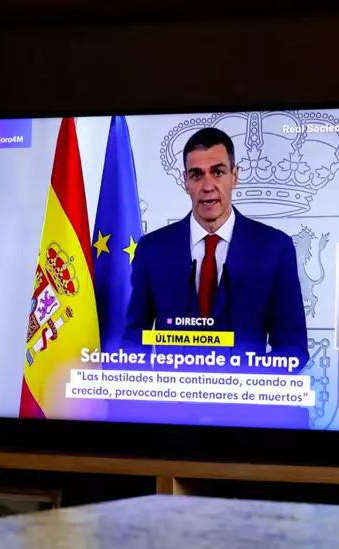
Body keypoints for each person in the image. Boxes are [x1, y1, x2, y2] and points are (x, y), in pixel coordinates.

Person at [117, 127, 309, 428]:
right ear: (185, 182)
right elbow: (133, 339)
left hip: (247, 422)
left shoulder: (275, 247)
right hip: (168, 424)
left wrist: (244, 390)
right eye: (197, 175)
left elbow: (293, 349)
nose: (208, 186)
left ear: (235, 176)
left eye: (217, 172)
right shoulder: (153, 249)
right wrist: (151, 396)